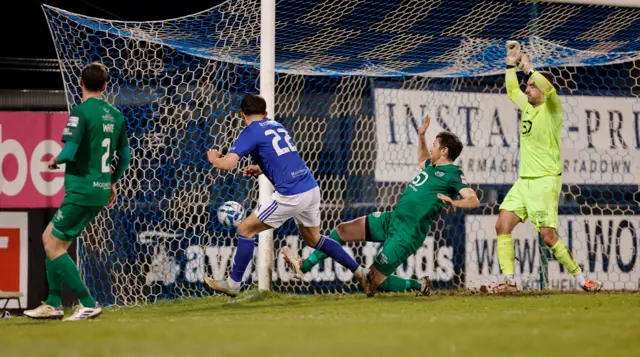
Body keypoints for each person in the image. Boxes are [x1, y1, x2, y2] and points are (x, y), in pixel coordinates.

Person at [284, 114, 480, 297]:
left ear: (444, 151)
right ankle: (303, 266)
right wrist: (421, 135)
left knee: (371, 283)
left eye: (435, 144)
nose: (431, 147)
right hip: (392, 218)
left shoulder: (453, 174)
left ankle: (419, 285)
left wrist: (454, 202)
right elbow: (422, 159)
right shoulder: (432, 166)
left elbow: (473, 199)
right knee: (342, 230)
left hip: (408, 233)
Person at [204, 94, 369, 297]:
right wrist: (262, 168)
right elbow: (284, 157)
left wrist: (214, 159)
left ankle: (233, 283)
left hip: (291, 195)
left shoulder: (250, 132)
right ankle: (360, 271)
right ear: (265, 113)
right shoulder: (277, 125)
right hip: (310, 188)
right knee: (314, 239)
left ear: (242, 115)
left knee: (245, 229)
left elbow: (228, 164)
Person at [24, 62, 132, 320]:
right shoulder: (116, 115)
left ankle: (87, 302)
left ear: (80, 83)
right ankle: (53, 303)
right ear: (105, 86)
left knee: (52, 243)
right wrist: (112, 181)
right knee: (53, 238)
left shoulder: (80, 112)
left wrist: (55, 160)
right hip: (99, 189)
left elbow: (70, 152)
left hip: (82, 189)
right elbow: (125, 157)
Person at [492, 41, 601, 293]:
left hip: (545, 180)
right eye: (527, 86)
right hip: (524, 181)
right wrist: (510, 64)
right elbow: (511, 91)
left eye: (531, 86)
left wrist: (528, 68)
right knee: (502, 225)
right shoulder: (527, 107)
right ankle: (510, 282)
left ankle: (582, 279)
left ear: (542, 89)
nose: (527, 89)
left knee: (548, 236)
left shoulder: (552, 110)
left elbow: (549, 88)